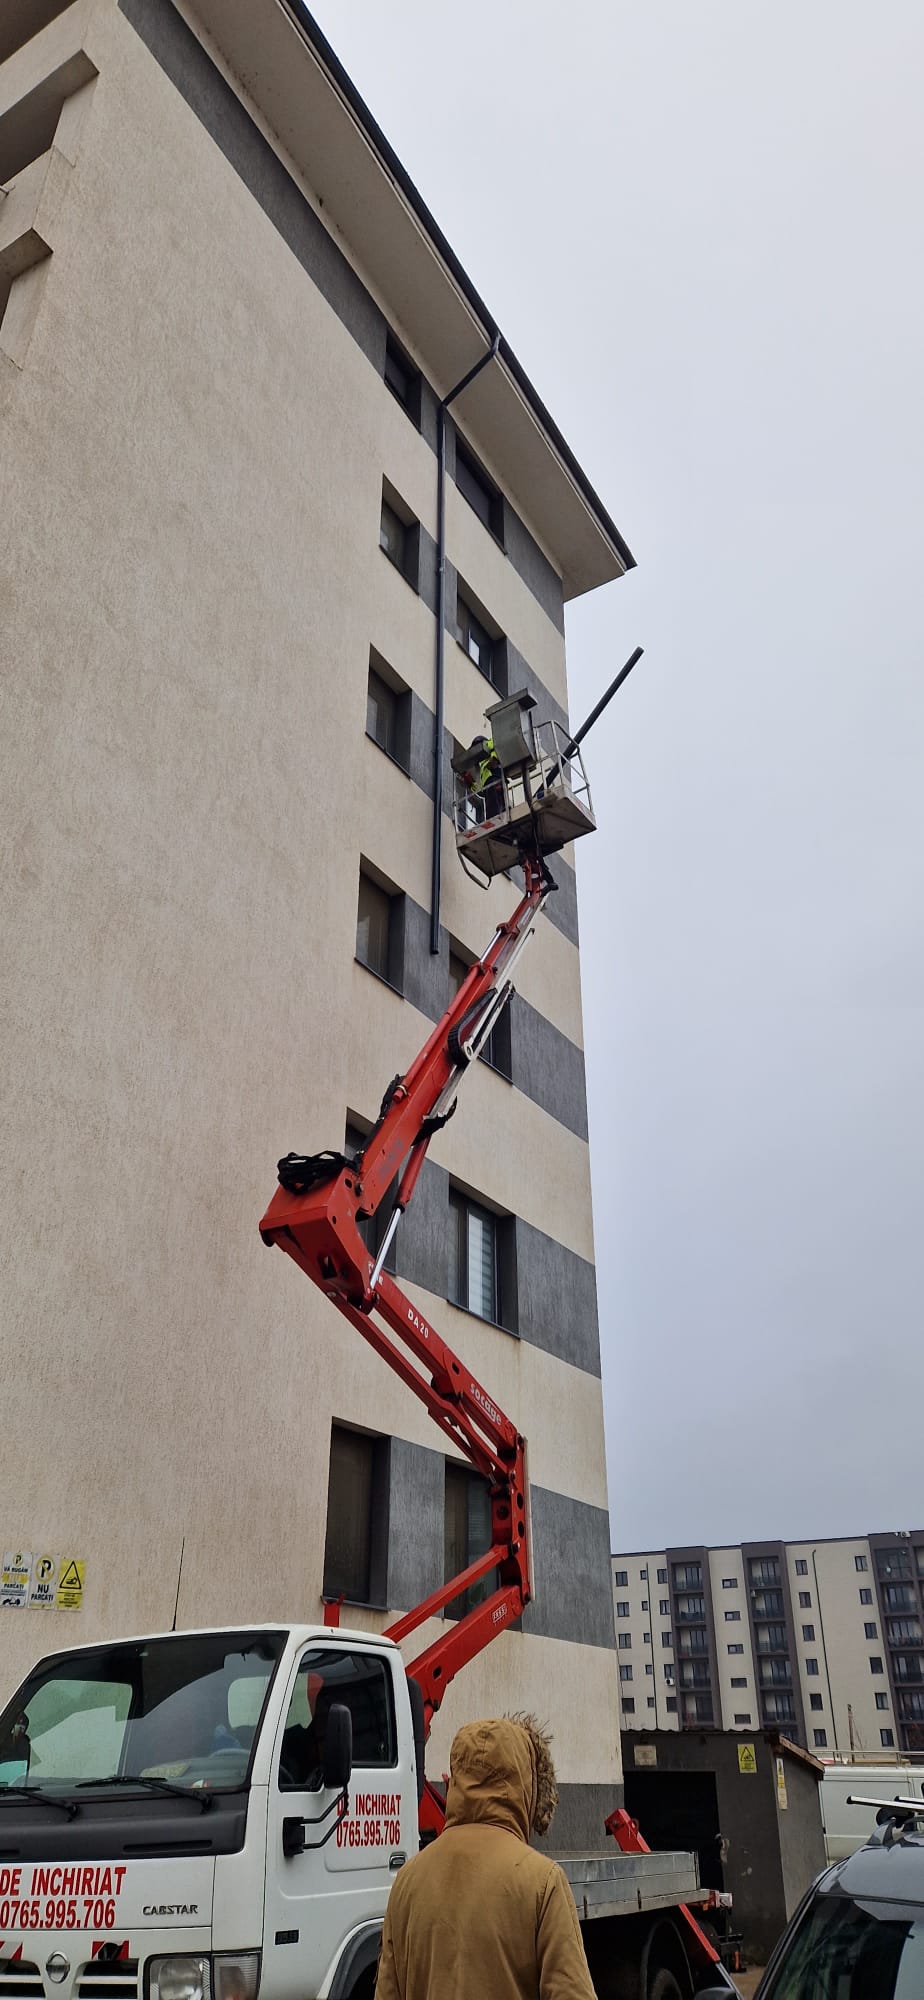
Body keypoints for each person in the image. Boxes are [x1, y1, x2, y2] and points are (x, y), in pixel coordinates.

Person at [375, 1714, 597, 2000]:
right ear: (525, 1782)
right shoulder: (542, 1882)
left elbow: (387, 1992)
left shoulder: (407, 1881)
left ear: (455, 1779)